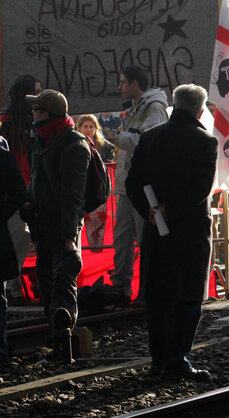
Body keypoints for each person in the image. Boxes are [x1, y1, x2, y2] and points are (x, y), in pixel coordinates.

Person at [125, 84, 216, 380]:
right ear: (200, 109)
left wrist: (150, 212)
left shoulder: (150, 138)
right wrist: (171, 211)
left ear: (173, 106)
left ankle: (158, 359)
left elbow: (132, 182)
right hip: (188, 233)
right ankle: (177, 360)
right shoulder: (205, 141)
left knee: (158, 295)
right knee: (186, 296)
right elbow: (200, 189)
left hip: (155, 232)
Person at [24, 89, 89, 361]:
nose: (32, 115)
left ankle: (65, 346)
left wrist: (69, 236)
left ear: (46, 114)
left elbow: (72, 196)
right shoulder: (45, 140)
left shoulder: (73, 145)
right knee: (49, 283)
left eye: (36, 110)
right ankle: (56, 341)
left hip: (63, 229)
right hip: (44, 226)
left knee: (63, 284)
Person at [111, 66, 169, 301]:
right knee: (122, 237)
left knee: (144, 239)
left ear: (135, 84)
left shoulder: (154, 108)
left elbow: (152, 142)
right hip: (127, 185)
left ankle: (148, 288)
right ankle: (121, 286)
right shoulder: (138, 108)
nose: (120, 86)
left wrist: (119, 138)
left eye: (123, 82)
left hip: (142, 188)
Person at [0, 75, 41, 304]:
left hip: (28, 186)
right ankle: (12, 285)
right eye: (34, 91)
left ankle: (12, 284)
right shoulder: (7, 121)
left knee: (23, 236)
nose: (38, 95)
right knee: (18, 235)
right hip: (12, 188)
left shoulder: (33, 120)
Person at [0, 143, 26, 363]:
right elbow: (18, 192)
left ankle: (1, 350)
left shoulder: (4, 158)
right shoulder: (5, 158)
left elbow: (19, 193)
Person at [76, 115, 115, 252]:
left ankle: (98, 249)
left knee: (101, 222)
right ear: (79, 128)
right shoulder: (75, 144)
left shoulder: (105, 146)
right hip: (83, 190)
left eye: (91, 126)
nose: (88, 129)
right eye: (85, 126)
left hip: (100, 189)